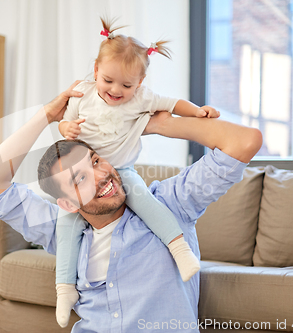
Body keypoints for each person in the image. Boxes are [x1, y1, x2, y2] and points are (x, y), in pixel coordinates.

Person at [0, 81, 263, 332]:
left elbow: (245, 141)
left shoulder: (171, 203)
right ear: (67, 203)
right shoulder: (59, 231)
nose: (101, 177)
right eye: (80, 179)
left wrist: (163, 125)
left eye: (96, 161)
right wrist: (47, 115)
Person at [55, 17, 220, 327]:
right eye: (108, 81)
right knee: (66, 226)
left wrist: (197, 111)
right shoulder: (83, 93)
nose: (115, 90)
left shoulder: (142, 99)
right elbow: (65, 120)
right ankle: (64, 288)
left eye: (127, 85)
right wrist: (67, 127)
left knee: (146, 203)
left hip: (122, 171)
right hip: (87, 174)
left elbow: (174, 103)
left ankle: (179, 249)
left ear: (140, 83)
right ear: (95, 72)